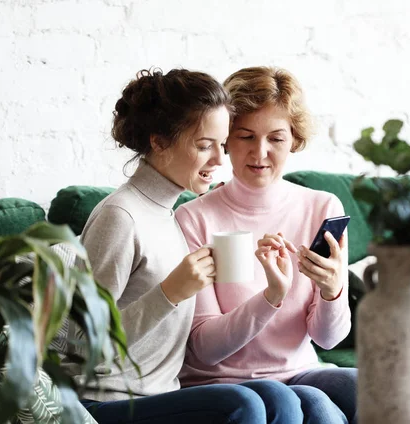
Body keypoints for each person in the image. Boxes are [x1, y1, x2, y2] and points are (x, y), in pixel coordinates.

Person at [77, 68, 304, 424]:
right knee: (243, 406)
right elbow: (79, 341)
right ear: (159, 142)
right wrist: (170, 292)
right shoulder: (120, 217)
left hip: (163, 394)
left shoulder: (168, 215)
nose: (219, 160)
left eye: (222, 144)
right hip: (104, 401)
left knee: (277, 397)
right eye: (203, 146)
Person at [175, 66, 358, 424]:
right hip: (222, 381)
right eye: (245, 136)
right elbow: (206, 350)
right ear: (225, 139)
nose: (260, 153)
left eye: (276, 138)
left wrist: (332, 291)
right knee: (320, 410)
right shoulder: (194, 218)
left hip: (300, 370)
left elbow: (328, 339)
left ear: (294, 139)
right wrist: (271, 296)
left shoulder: (322, 208)